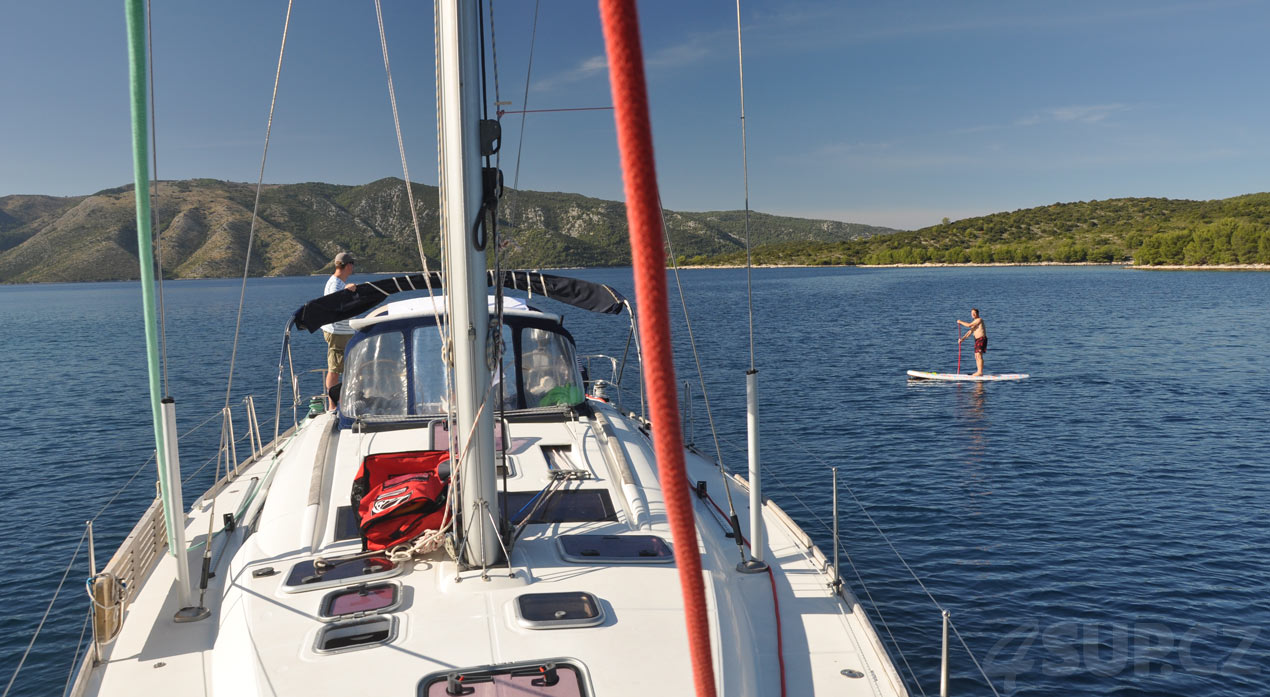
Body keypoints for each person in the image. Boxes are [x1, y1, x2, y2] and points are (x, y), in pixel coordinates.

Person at [321, 252, 357, 401]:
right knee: (334, 369)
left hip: (342, 332)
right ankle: (333, 404)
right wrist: (346, 292)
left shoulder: (338, 283)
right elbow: (336, 305)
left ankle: (341, 401)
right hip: (338, 333)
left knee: (344, 368)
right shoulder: (336, 284)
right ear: (348, 265)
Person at [957, 308, 987, 376]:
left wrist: (960, 322)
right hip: (977, 340)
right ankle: (978, 371)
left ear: (977, 314)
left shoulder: (979, 320)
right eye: (972, 313)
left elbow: (969, 325)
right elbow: (969, 332)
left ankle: (980, 372)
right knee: (976, 356)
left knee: (979, 355)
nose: (973, 314)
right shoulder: (975, 322)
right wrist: (962, 339)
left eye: (974, 313)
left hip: (982, 339)